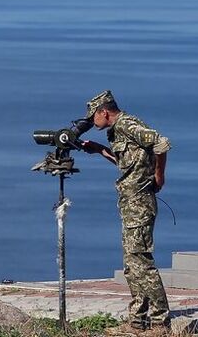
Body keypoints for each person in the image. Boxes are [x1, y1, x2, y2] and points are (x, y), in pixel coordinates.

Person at [81, 90, 171, 334]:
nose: (91, 122)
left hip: (140, 202)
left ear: (104, 112)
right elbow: (128, 163)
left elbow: (161, 143)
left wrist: (159, 176)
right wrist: (100, 150)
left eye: (93, 117)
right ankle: (137, 321)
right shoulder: (118, 130)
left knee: (142, 261)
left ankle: (160, 322)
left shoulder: (128, 124)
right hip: (130, 203)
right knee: (132, 264)